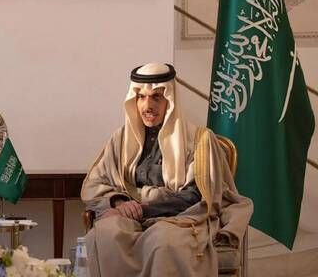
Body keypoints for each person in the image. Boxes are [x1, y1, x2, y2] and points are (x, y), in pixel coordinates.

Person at [81, 63, 253, 276]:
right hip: (131, 217)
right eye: (141, 97)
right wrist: (119, 203)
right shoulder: (121, 139)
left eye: (156, 97)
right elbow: (95, 184)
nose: (147, 106)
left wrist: (143, 210)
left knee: (162, 242)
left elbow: (195, 197)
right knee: (105, 234)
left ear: (170, 101)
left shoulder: (199, 141)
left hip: (180, 219)